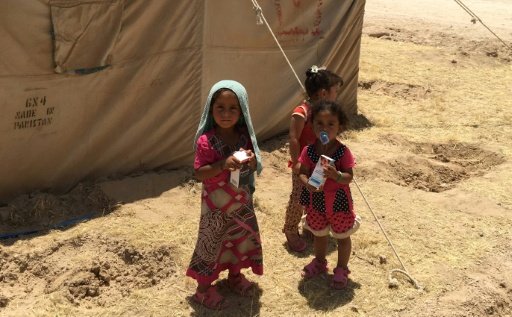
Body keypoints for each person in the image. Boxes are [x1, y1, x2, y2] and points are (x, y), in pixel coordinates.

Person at [186, 80, 263, 309]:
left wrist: (248, 161)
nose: (226, 113)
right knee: (211, 245)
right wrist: (223, 164)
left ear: (242, 112)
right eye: (220, 107)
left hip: (240, 204)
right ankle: (202, 290)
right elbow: (199, 173)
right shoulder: (206, 141)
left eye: (233, 108)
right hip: (215, 207)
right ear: (211, 108)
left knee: (238, 240)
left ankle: (234, 277)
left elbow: (253, 165)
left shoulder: (243, 137)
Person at [298, 100, 360, 289]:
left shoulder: (343, 152)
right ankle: (319, 261)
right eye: (320, 124)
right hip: (316, 201)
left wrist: (337, 175)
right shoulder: (309, 150)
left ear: (339, 127)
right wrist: (307, 182)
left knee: (342, 236)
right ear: (312, 125)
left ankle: (341, 268)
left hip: (338, 203)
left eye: (331, 124)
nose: (325, 128)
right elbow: (301, 171)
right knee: (319, 234)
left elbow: (349, 176)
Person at [284, 65, 343, 252]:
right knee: (299, 197)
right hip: (304, 164)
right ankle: (291, 230)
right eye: (336, 91)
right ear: (324, 93)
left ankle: (310, 225)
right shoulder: (302, 111)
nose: (337, 95)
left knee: (316, 194)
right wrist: (296, 163)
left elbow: (323, 137)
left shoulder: (323, 113)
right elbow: (294, 138)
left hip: (321, 163)